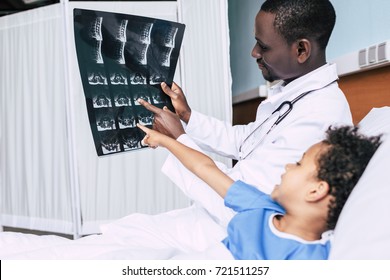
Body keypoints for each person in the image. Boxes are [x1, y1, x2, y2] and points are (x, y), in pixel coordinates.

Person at [131, 0, 352, 254]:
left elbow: (240, 200)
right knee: (127, 231)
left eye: (264, 46)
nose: (254, 52)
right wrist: (188, 116)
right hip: (221, 222)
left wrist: (177, 139)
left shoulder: (319, 116)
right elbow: (246, 141)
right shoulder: (296, 93)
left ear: (301, 50)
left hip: (234, 235)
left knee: (114, 248)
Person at [137, 123, 382, 259]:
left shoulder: (313, 257)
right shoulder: (261, 206)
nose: (287, 166)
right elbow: (205, 168)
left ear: (316, 190)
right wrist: (167, 141)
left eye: (298, 163)